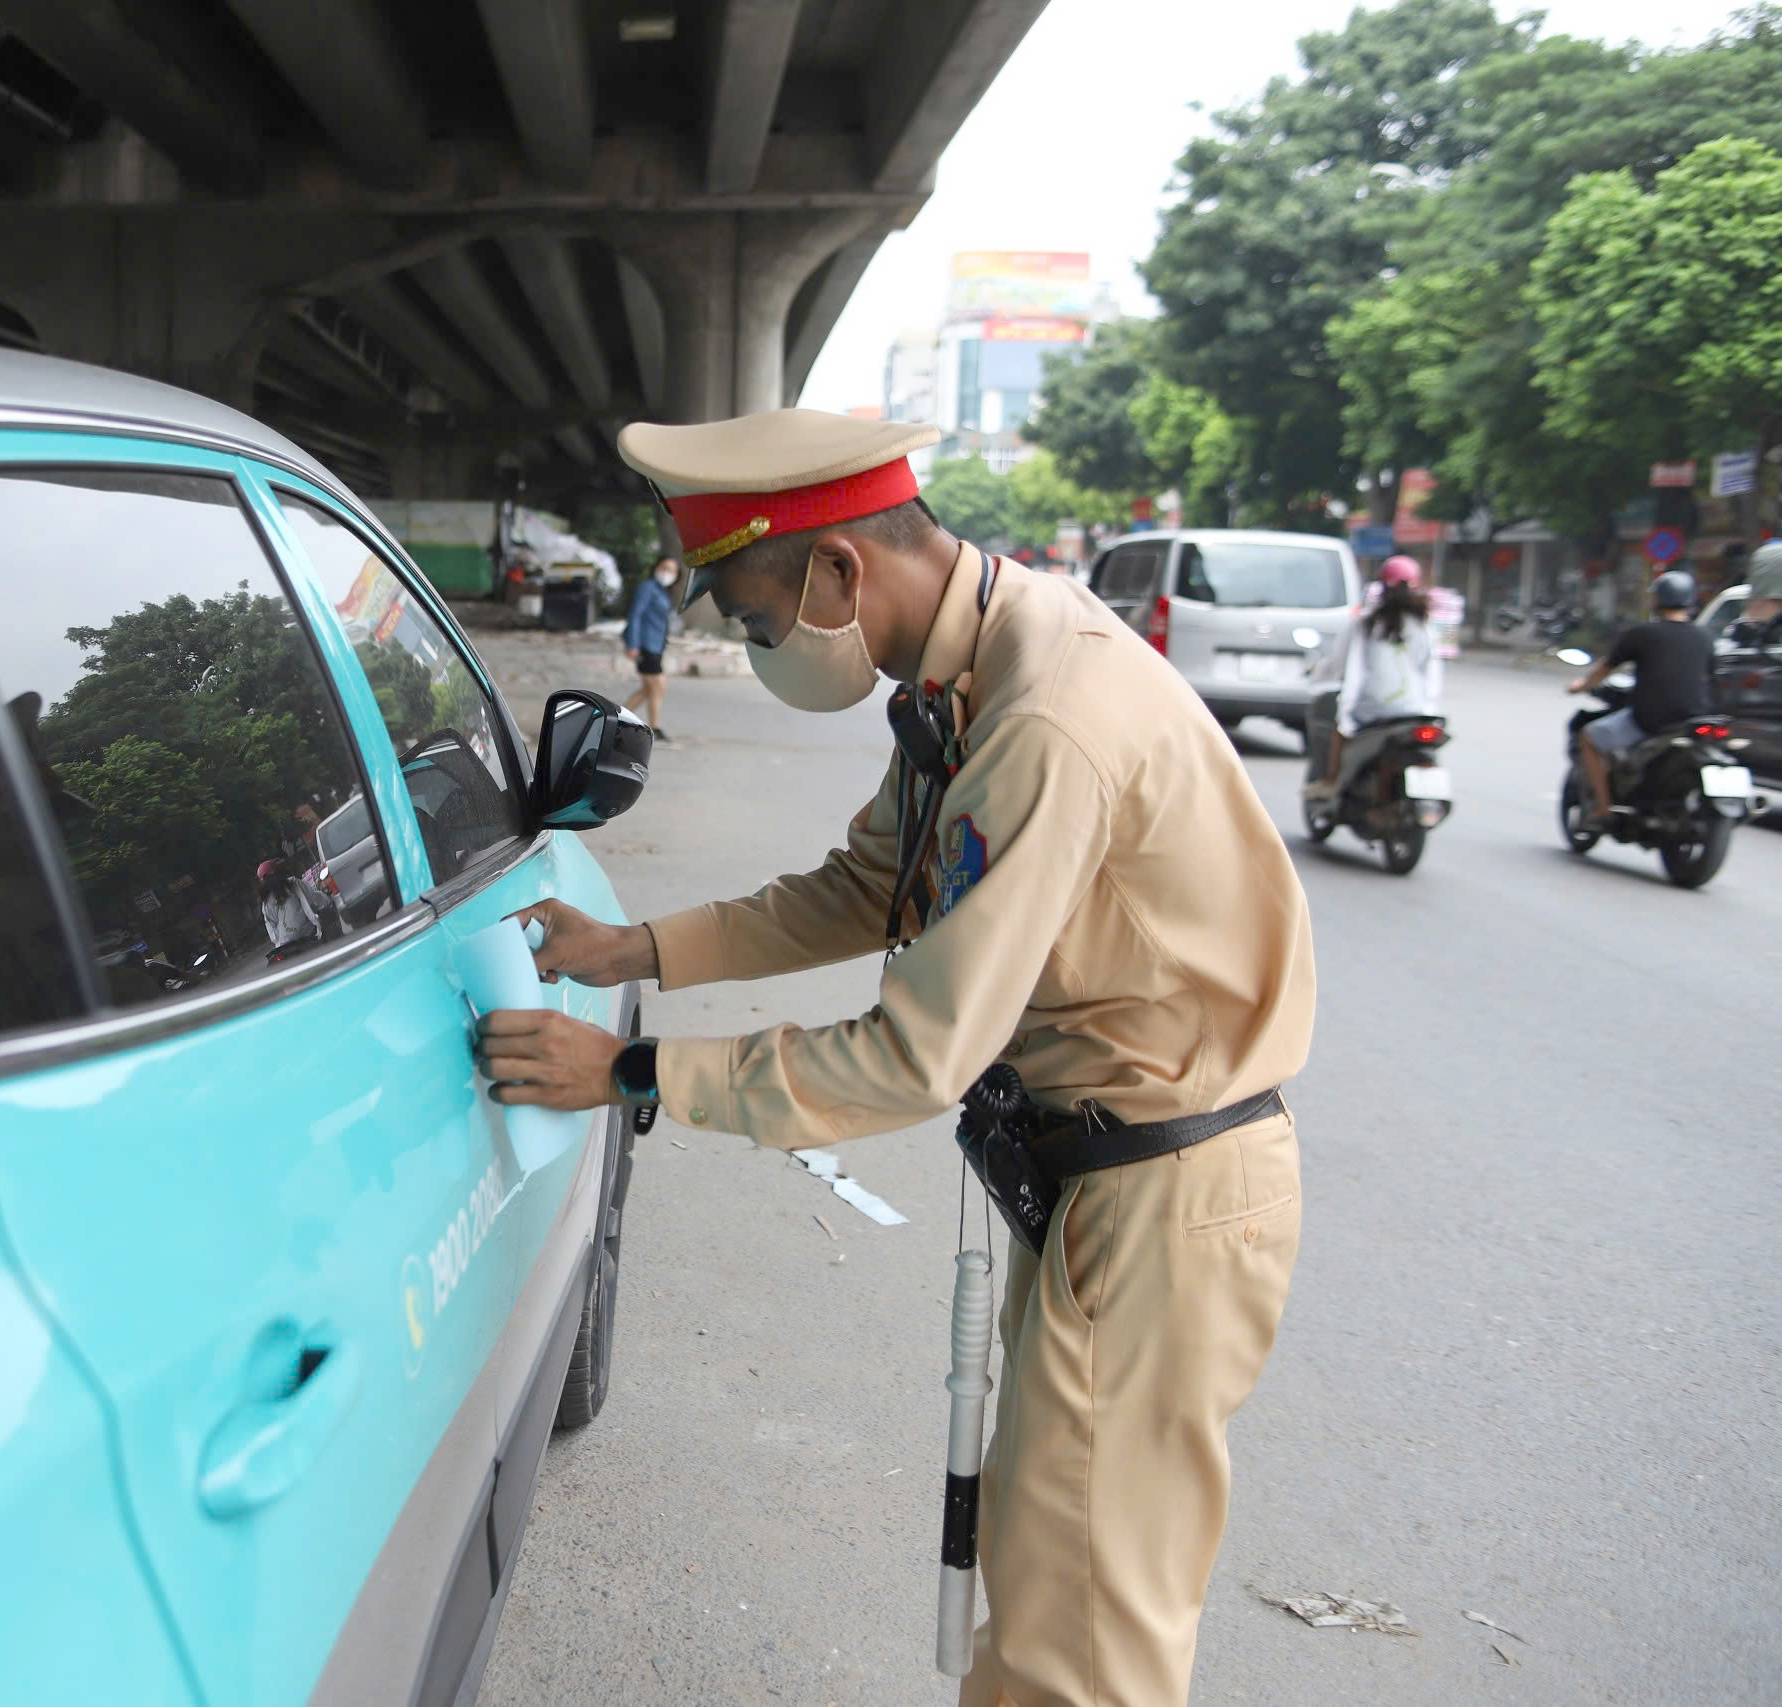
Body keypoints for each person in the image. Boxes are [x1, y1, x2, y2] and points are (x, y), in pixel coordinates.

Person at [474, 408, 1315, 1707]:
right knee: (1045, 1590)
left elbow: (913, 1052)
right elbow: (869, 885)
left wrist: (634, 1077)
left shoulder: (1045, 716)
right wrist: (634, 948)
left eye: (757, 621)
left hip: (1159, 1199)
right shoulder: (967, 677)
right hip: (1105, 1187)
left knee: (1078, 1643)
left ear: (838, 574)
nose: (762, 651)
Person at [1565, 568, 1716, 819]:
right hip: (1692, 720)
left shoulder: (1643, 634)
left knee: (1589, 738)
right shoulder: (1705, 637)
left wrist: (1581, 685)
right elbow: (1710, 677)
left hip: (1651, 721)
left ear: (1656, 599)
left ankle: (1603, 809)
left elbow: (1605, 668)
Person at [1302, 555, 1443, 800]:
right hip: (1416, 711)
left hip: (1371, 711)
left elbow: (1340, 665)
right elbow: (1430, 670)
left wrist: (1316, 677)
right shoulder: (1424, 628)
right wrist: (1428, 706)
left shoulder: (1365, 626)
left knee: (1338, 730)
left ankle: (1331, 781)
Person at [623, 555, 679, 739]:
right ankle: (654, 726)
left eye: (672, 570)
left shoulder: (662, 591)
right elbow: (635, 616)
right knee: (658, 685)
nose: (666, 573)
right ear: (656, 567)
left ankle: (616, 721)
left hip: (656, 646)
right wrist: (632, 644)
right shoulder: (648, 588)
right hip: (645, 644)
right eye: (664, 567)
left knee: (649, 689)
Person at [255, 858, 321, 958]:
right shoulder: (294, 884)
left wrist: (279, 944)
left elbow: (272, 927)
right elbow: (312, 898)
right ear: (278, 873)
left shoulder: (266, 903)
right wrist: (327, 899)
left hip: (286, 945)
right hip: (308, 933)